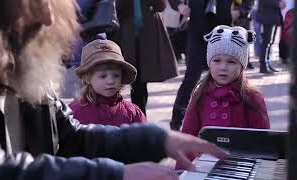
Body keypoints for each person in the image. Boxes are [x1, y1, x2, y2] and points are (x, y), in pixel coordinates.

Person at [0, 0, 227, 180]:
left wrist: (156, 139)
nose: (49, 18)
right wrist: (115, 174)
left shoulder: (23, 71)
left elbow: (72, 138)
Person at [175, 25, 270, 169]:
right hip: (203, 167)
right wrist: (182, 170)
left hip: (241, 168)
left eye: (231, 62)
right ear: (209, 62)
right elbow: (188, 135)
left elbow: (262, 141)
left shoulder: (251, 96)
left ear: (242, 65)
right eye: (217, 60)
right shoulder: (200, 94)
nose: (223, 67)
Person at [168, 0, 234, 130]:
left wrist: (242, 10)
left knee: (224, 77)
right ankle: (176, 123)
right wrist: (179, 5)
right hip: (197, 30)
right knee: (191, 78)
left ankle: (223, 123)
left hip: (223, 30)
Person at [113, 0, 179, 115]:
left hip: (147, 34)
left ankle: (140, 116)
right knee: (129, 78)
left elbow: (160, 6)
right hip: (127, 34)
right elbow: (119, 10)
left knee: (141, 81)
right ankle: (133, 116)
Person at [69, 39, 146, 126]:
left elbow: (145, 138)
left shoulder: (132, 113)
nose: (111, 81)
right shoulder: (73, 113)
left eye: (116, 75)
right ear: (87, 78)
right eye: (103, 76)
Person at [256, 0, 286, 74]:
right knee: (266, 42)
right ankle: (263, 65)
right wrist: (278, 3)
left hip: (273, 17)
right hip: (267, 17)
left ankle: (267, 63)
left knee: (269, 42)